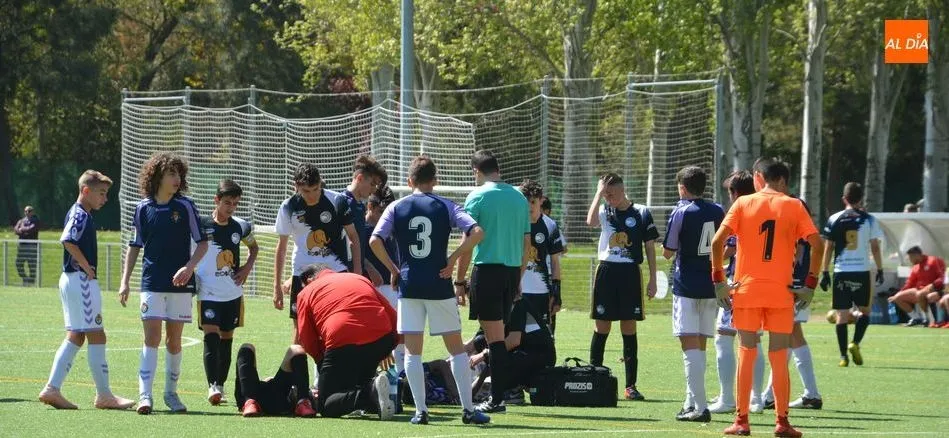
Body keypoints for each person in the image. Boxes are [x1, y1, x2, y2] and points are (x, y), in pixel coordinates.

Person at [369, 154, 491, 425]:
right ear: (435, 181)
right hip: (439, 285)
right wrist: (453, 258)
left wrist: (393, 268)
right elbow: (478, 232)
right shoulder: (447, 206)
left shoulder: (396, 207)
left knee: (413, 351)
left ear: (409, 180)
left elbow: (375, 239)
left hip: (409, 285)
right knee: (457, 349)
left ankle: (420, 411)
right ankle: (468, 410)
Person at [710, 158, 823, 437]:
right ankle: (782, 423)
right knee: (778, 354)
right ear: (782, 179)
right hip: (781, 292)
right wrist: (810, 283)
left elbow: (717, 242)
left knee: (746, 352)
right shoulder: (794, 205)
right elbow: (817, 244)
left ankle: (742, 421)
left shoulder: (743, 203)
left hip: (747, 290)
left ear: (759, 177)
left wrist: (719, 282)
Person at [120, 152, 209, 414]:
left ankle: (171, 393)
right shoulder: (142, 208)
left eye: (179, 174)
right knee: (151, 338)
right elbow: (135, 246)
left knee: (174, 341)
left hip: (181, 285)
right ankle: (145, 395)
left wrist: (189, 268)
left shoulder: (185, 206)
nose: (177, 179)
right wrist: (125, 281)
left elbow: (203, 243)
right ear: (157, 176)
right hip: (151, 282)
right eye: (171, 173)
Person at [38, 170, 134, 410]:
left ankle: (53, 388)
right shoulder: (80, 214)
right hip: (80, 280)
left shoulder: (81, 213)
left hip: (73, 280)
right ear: (86, 191)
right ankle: (104, 396)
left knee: (77, 335)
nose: (105, 198)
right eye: (101, 193)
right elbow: (67, 239)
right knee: (96, 334)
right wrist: (85, 267)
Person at [454, 150, 531, 414]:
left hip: (487, 271)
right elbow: (526, 243)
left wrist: (460, 279)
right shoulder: (519, 198)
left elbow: (468, 241)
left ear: (477, 171)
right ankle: (499, 395)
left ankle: (498, 398)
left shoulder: (477, 196)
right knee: (497, 338)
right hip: (511, 272)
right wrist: (518, 278)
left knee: (495, 340)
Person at [586, 172, 659, 401]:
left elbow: (649, 247)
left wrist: (653, 278)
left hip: (630, 273)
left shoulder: (641, 212)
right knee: (602, 327)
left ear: (623, 189)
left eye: (613, 194)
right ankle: (593, 378)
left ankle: (631, 386)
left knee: (629, 328)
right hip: (606, 271)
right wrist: (598, 193)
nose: (610, 198)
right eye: (606, 194)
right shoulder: (604, 210)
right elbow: (590, 222)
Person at [295, 265, 398, 420]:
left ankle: (369, 392)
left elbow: (307, 339)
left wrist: (322, 361)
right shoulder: (359, 278)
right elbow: (392, 313)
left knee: (327, 404)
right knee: (360, 377)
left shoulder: (305, 292)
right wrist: (389, 345)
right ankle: (378, 394)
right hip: (382, 337)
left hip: (343, 339)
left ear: (308, 279)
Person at [662, 166, 724, 422]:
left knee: (689, 346)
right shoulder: (718, 210)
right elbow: (726, 245)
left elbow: (668, 250)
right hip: (711, 285)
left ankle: (700, 407)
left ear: (683, 188)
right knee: (701, 344)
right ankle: (691, 401)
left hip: (686, 285)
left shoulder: (681, 212)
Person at [761, 186, 825, 411]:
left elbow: (800, 249)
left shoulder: (793, 213)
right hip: (796, 282)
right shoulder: (798, 213)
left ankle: (811, 393)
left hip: (793, 283)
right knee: (788, 336)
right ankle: (771, 394)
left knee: (792, 334)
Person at [195, 180, 259, 405]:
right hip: (208, 293)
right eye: (227, 203)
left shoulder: (241, 226)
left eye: (235, 203)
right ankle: (212, 385)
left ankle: (220, 385)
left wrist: (246, 268)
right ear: (216, 200)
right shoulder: (201, 225)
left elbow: (254, 247)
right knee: (211, 336)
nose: (230, 208)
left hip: (232, 293)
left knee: (226, 340)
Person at [708, 170, 766, 415]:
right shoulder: (766, 209)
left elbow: (726, 245)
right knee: (753, 340)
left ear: (735, 192)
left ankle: (727, 398)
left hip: (740, 281)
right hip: (764, 280)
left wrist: (712, 266)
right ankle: (757, 398)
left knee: (724, 336)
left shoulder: (741, 209)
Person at [272, 163, 359, 323]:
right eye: (306, 191)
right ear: (296, 186)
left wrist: (358, 274)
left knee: (335, 322)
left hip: (335, 271)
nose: (312, 195)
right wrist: (277, 286)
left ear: (320, 183)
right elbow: (282, 248)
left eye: (316, 189)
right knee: (301, 328)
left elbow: (353, 237)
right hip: (303, 273)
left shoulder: (337, 201)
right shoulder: (288, 207)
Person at [818, 182, 884, 367]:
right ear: (861, 198)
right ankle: (855, 343)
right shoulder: (869, 219)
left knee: (841, 315)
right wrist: (879, 269)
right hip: (861, 271)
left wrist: (824, 271)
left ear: (844, 199)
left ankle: (842, 357)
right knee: (865, 312)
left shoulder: (834, 218)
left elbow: (828, 247)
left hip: (841, 271)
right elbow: (875, 247)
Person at [468, 298, 556, 397]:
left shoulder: (517, 304)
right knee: (481, 341)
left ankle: (512, 390)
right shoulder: (494, 307)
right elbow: (473, 344)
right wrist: (453, 359)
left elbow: (514, 341)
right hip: (523, 351)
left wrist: (484, 355)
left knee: (497, 358)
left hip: (540, 356)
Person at [365, 185, 406, 374]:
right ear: (370, 207)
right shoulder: (360, 227)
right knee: (372, 333)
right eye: (381, 211)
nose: (385, 215)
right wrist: (368, 266)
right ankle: (369, 373)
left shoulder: (390, 226)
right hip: (371, 288)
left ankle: (399, 373)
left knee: (400, 332)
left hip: (392, 287)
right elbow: (351, 250)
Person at [519, 180, 565, 327]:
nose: (529, 206)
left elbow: (555, 262)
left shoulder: (550, 225)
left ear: (540, 201)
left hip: (541, 291)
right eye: (525, 202)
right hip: (517, 290)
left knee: (542, 339)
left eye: (533, 202)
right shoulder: (514, 223)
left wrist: (556, 291)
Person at [234, 344, 316, 418]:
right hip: (281, 398)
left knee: (246, 347)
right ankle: (303, 402)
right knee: (296, 349)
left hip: (255, 396)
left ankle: (249, 402)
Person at [342, 155, 387, 286]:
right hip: (343, 275)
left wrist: (368, 267)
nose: (374, 190)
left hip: (356, 273)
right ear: (360, 178)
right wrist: (357, 270)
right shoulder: (342, 203)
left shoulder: (360, 206)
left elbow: (357, 243)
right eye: (372, 184)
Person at [888, 246, 946, 327]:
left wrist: (933, 285)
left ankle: (927, 319)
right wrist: (897, 294)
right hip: (919, 291)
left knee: (920, 294)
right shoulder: (915, 267)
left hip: (934, 289)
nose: (910, 260)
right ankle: (916, 318)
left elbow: (942, 278)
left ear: (917, 255)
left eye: (911, 257)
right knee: (897, 297)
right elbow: (909, 283)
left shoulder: (933, 261)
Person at [540, 196, 567, 334]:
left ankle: (550, 337)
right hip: (535, 274)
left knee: (550, 308)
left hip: (549, 274)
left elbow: (563, 247)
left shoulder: (551, 225)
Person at [14, 205, 40, 286]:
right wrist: (22, 230)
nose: (27, 213)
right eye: (25, 211)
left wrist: (22, 229)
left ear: (32, 212)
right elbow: (15, 229)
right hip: (22, 246)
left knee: (32, 265)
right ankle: (25, 278)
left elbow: (32, 229)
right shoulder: (22, 220)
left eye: (28, 211)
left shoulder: (35, 220)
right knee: (18, 263)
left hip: (31, 246)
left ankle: (31, 283)